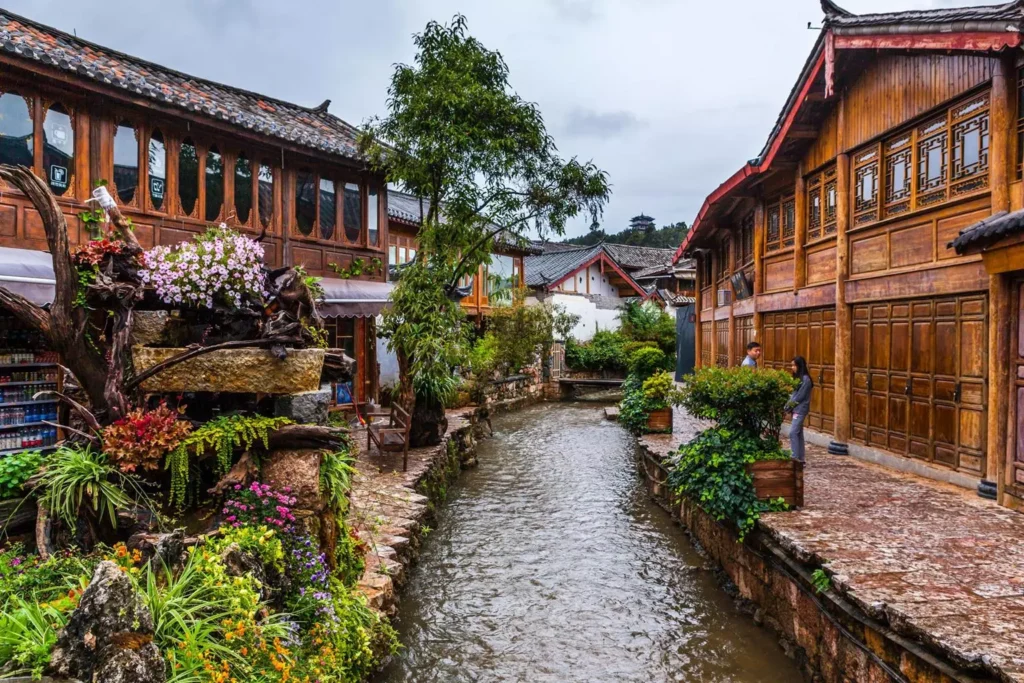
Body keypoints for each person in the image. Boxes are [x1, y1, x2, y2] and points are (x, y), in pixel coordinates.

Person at [786, 356, 813, 463]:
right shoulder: (799, 378)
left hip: (800, 410)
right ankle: (800, 459)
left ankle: (795, 457)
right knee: (798, 433)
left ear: (799, 366)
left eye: (794, 365)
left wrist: (788, 406)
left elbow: (799, 396)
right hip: (796, 409)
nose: (792, 368)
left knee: (793, 433)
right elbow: (793, 394)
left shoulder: (806, 380)